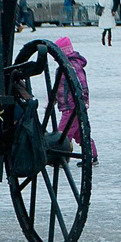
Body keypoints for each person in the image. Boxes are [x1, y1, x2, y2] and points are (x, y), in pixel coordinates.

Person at [53, 36, 97, 164]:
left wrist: (84, 100)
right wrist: (54, 98)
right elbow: (60, 86)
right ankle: (92, 155)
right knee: (79, 133)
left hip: (72, 106)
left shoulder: (73, 66)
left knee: (64, 133)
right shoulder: (64, 66)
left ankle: (61, 155)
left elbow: (82, 84)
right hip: (68, 104)